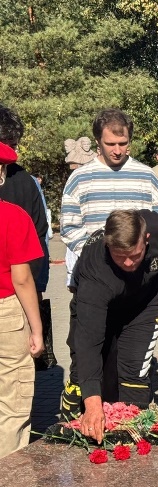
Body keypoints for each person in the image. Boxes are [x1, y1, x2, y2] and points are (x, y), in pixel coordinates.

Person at [60, 210, 158, 443]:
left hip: (142, 306)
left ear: (146, 239)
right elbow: (88, 343)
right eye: (119, 256)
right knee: (88, 368)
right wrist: (93, 406)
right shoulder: (94, 269)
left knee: (134, 373)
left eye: (134, 256)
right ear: (107, 245)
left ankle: (132, 434)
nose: (127, 263)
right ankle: (77, 416)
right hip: (99, 307)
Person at [60, 109, 158, 286]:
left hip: (138, 276)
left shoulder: (147, 175)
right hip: (95, 275)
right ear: (98, 142)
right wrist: (96, 255)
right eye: (110, 144)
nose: (117, 150)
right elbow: (69, 226)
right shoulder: (80, 177)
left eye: (123, 143)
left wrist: (140, 255)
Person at [0, 142, 43, 459]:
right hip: (6, 313)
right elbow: (22, 279)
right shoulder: (13, 218)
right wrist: (37, 328)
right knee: (12, 400)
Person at [0, 105, 49, 295]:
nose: (14, 151)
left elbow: (39, 237)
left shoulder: (25, 182)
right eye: (8, 144)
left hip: (20, 287)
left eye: (15, 144)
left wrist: (35, 285)